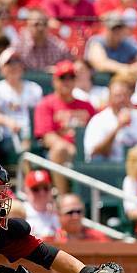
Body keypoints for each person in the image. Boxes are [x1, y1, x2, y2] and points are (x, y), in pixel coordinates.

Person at [34, 60, 96, 194]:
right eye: (62, 78)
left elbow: (98, 130)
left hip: (88, 150)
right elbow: (47, 137)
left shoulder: (87, 105)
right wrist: (73, 149)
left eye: (71, 77)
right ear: (54, 81)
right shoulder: (46, 104)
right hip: (61, 152)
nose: (67, 82)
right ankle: (63, 197)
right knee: (59, 149)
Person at [84, 76, 137, 162]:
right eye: (117, 96)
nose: (122, 100)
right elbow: (94, 154)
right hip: (108, 169)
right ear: (110, 98)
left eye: (125, 95)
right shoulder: (98, 120)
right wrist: (118, 127)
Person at [0, 48, 43, 160]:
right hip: (8, 137)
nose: (14, 66)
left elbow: (41, 114)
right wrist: (8, 121)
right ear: (1, 69)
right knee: (23, 149)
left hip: (34, 137)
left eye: (17, 61)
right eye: (9, 63)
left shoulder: (34, 88)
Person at [22, 170, 60, 239]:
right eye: (35, 189)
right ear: (26, 190)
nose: (42, 193)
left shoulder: (58, 213)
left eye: (45, 188)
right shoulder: (21, 212)